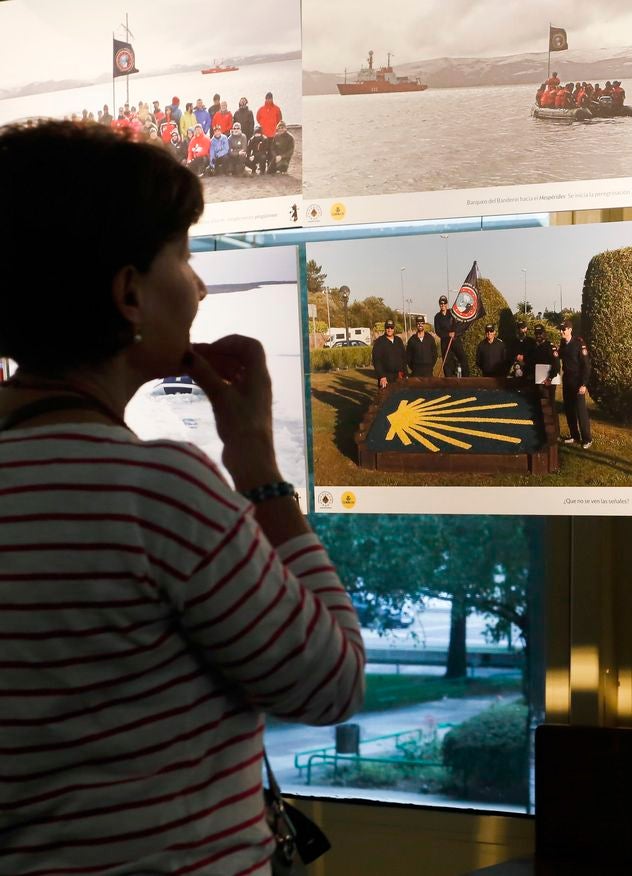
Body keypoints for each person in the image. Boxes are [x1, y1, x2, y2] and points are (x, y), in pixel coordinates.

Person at [0, 120, 364, 874]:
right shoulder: (158, 492)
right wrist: (256, 464)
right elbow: (331, 682)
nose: (198, 286)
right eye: (185, 257)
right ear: (129, 294)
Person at [549, 320, 593, 447]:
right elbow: (559, 356)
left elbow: (586, 366)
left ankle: (587, 439)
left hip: (578, 381)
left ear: (570, 330)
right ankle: (574, 435)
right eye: (561, 329)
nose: (561, 331)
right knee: (569, 410)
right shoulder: (563, 343)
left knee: (581, 411)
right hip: (567, 380)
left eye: (564, 329)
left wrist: (584, 384)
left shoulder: (579, 343)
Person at [433, 295, 467, 377]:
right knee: (447, 362)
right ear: (439, 305)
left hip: (455, 340)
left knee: (463, 358)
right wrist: (448, 334)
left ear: (447, 304)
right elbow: (438, 331)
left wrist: (455, 333)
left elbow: (459, 324)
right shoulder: (437, 317)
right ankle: (449, 379)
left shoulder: (452, 313)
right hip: (445, 342)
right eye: (441, 304)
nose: (443, 305)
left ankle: (466, 377)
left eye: (444, 303)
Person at [371, 319, 405, 388]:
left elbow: (404, 358)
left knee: (399, 397)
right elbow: (376, 361)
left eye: (391, 327)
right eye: (387, 327)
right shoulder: (379, 342)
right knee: (386, 398)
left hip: (398, 376)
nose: (389, 329)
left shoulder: (399, 341)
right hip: (385, 378)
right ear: (385, 328)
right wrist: (381, 376)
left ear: (394, 328)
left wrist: (405, 373)